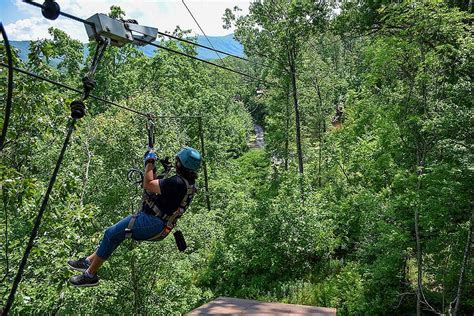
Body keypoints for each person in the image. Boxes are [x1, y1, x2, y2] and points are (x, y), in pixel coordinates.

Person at [67, 146, 201, 287]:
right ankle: (88, 262)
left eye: (177, 160)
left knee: (111, 234)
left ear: (181, 164)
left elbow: (148, 184)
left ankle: (90, 275)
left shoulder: (177, 183)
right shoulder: (187, 183)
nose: (175, 162)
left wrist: (149, 161)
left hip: (153, 222)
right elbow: (160, 190)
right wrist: (162, 171)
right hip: (159, 223)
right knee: (115, 235)